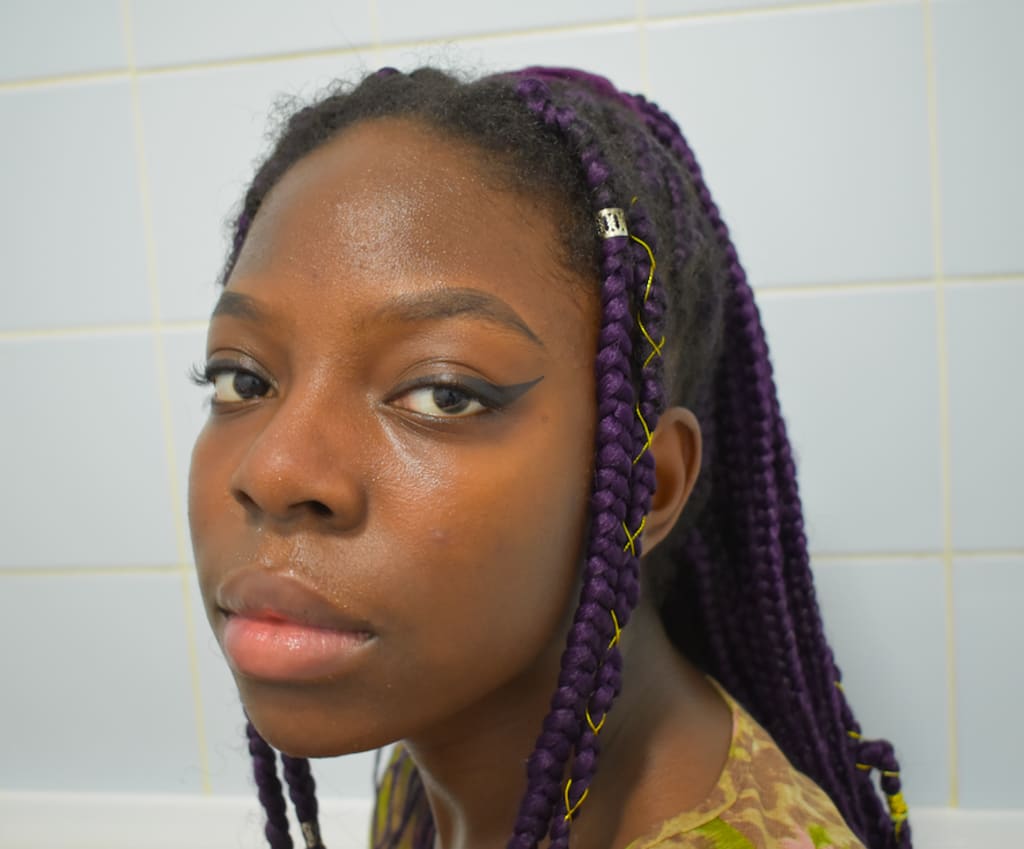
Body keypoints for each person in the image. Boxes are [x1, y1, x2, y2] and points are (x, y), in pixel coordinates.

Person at [187, 66, 911, 849]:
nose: (273, 471)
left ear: (646, 483)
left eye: (443, 393)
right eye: (243, 379)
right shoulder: (437, 759)